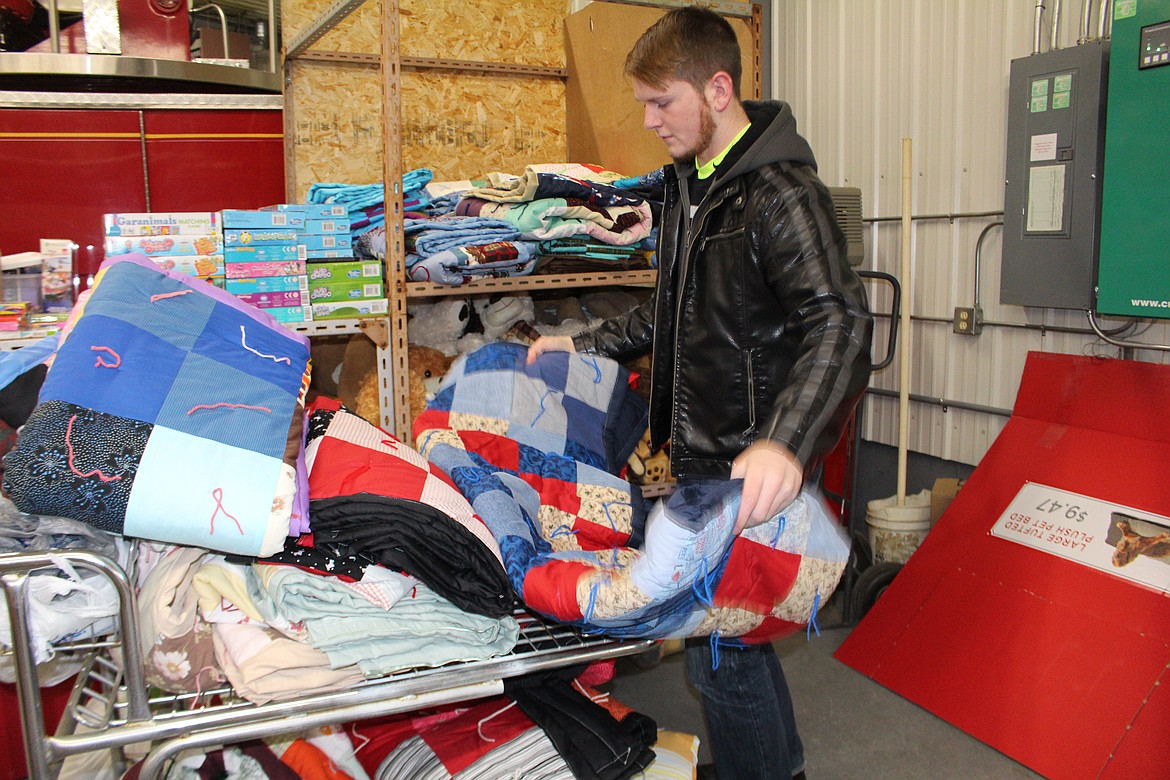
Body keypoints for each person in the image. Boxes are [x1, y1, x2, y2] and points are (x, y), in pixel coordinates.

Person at [527, 6, 872, 779]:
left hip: (745, 471)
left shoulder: (781, 195)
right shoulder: (689, 185)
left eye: (662, 102)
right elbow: (669, 311)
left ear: (718, 89)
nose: (648, 121)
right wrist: (579, 345)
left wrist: (787, 438)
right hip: (692, 462)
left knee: (724, 654)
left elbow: (841, 322)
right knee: (725, 650)